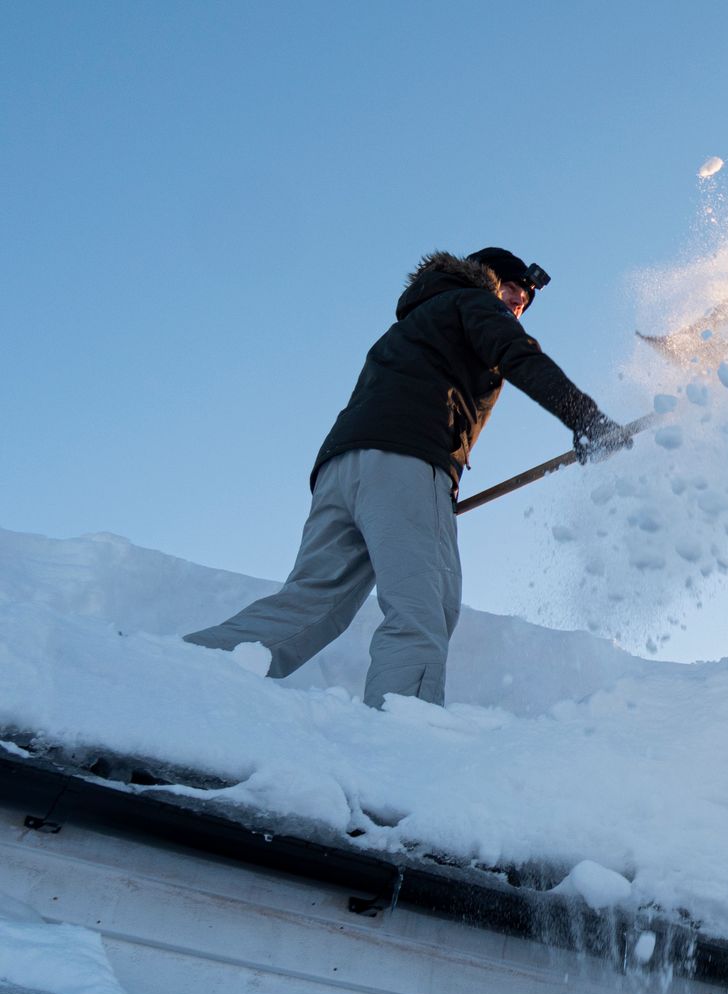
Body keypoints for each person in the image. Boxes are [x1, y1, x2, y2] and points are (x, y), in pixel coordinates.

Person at [186, 247, 630, 707]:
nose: (517, 305)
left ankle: (177, 676)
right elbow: (519, 356)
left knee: (311, 605)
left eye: (524, 301)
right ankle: (400, 739)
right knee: (424, 608)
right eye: (514, 290)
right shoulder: (473, 304)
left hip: (343, 468)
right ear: (487, 278)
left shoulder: (413, 323)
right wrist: (587, 420)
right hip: (406, 463)